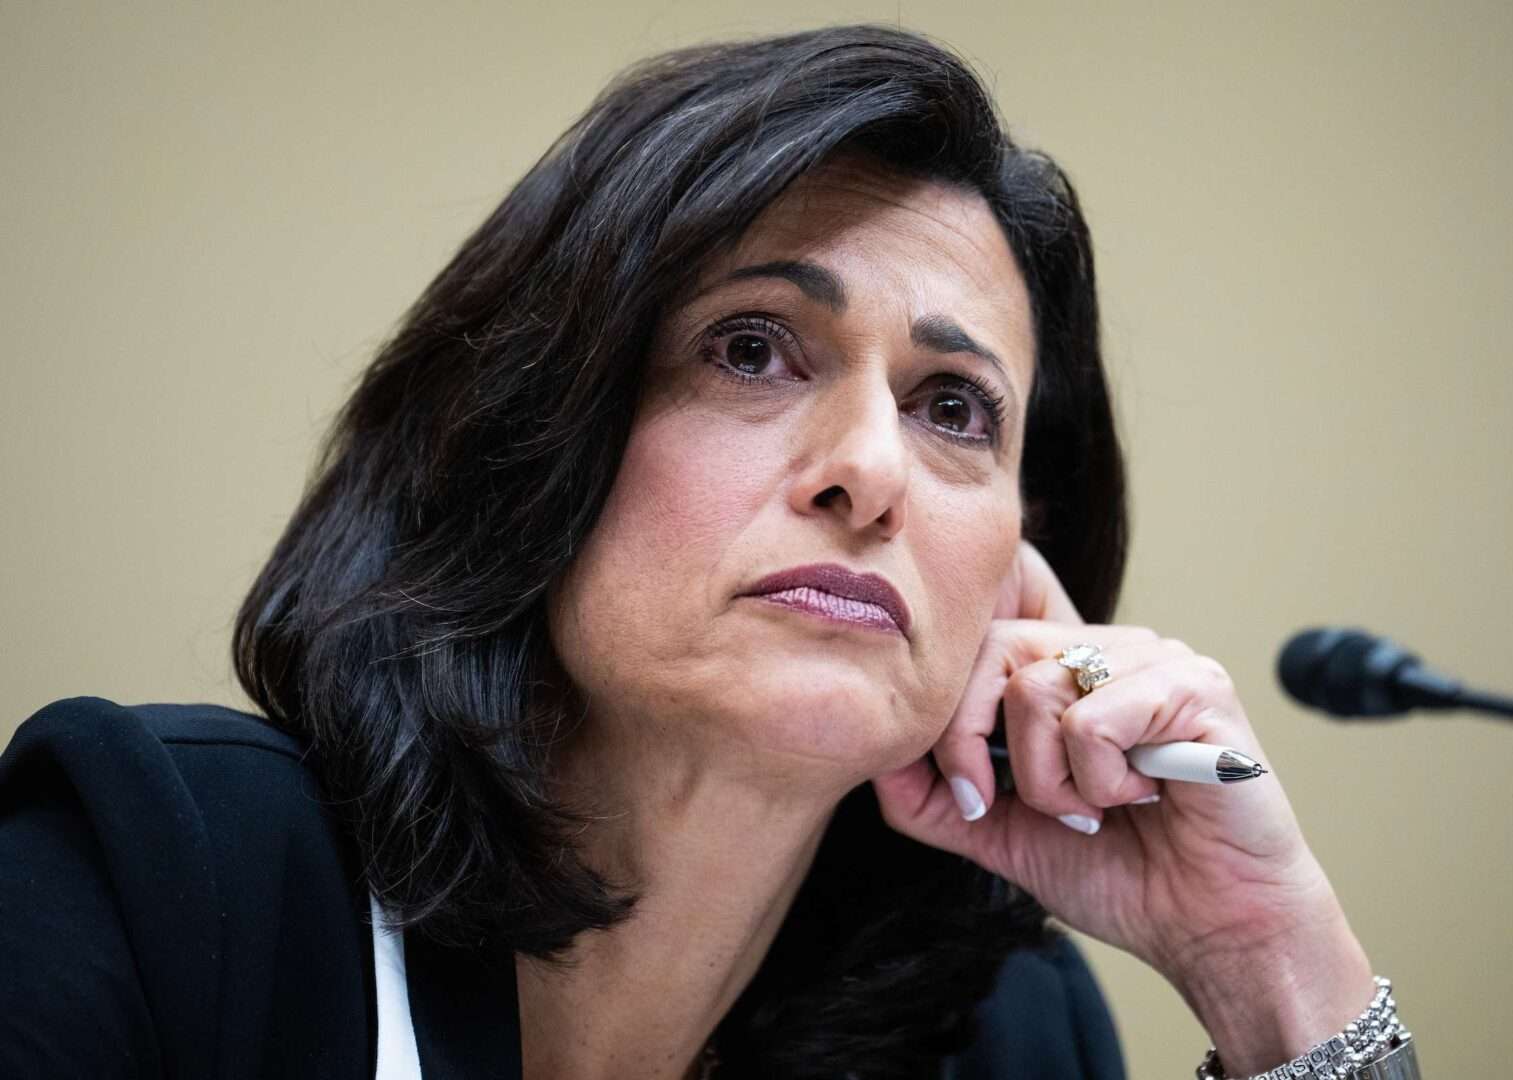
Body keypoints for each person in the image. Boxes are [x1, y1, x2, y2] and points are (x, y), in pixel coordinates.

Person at [0, 23, 1419, 1080]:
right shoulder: (169, 880)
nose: (870, 473)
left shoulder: (1005, 1043)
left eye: (952, 408)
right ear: (534, 435)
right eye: (753, 350)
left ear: (1018, 576)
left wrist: (1268, 968)